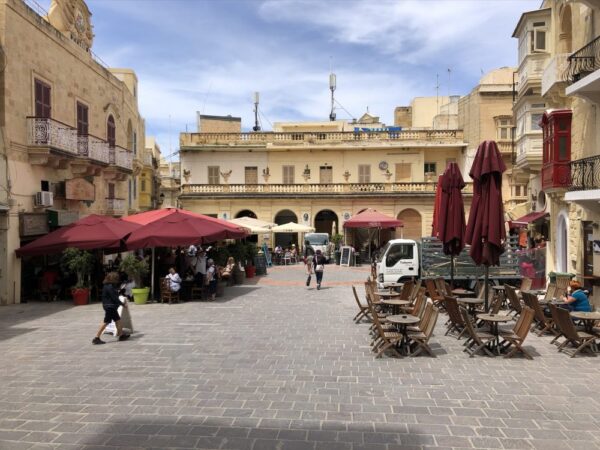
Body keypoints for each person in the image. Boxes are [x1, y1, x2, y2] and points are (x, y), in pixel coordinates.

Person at [92, 272, 130, 345]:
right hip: (110, 307)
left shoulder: (107, 286)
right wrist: (122, 304)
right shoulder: (110, 287)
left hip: (109, 306)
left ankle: (121, 335)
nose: (117, 280)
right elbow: (114, 298)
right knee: (106, 322)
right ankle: (96, 338)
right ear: (113, 279)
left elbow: (113, 295)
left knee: (118, 320)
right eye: (116, 278)